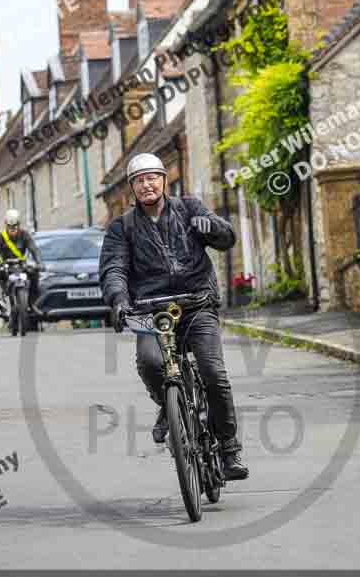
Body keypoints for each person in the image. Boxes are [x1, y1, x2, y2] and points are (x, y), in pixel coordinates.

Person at [99, 153, 249, 481]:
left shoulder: (189, 208)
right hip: (151, 311)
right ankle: (168, 407)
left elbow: (226, 239)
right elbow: (113, 269)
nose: (146, 184)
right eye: (139, 180)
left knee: (213, 373)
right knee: (151, 363)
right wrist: (119, 300)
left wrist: (214, 228)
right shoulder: (121, 228)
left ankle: (228, 447)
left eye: (152, 177)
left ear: (164, 180)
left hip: (196, 303)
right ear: (132, 189)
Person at [0, 209, 42, 317]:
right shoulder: (0, 237)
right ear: (6, 225)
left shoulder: (25, 235)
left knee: (34, 274)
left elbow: (33, 249)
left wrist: (39, 263)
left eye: (15, 225)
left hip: (21, 265)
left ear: (19, 224)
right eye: (10, 226)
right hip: (6, 266)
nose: (13, 228)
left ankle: (32, 303)